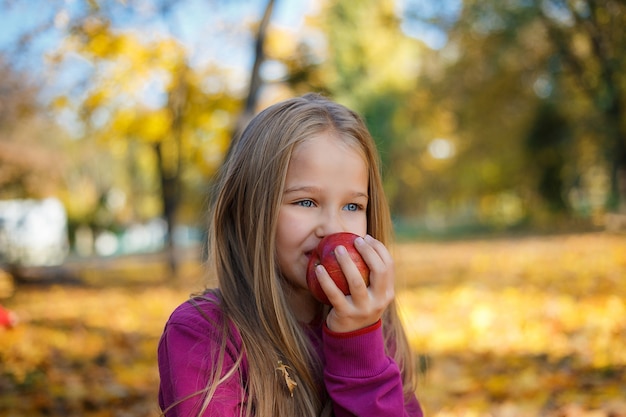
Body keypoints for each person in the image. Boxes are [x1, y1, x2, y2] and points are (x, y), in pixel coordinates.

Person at [158, 93, 423, 417]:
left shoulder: (376, 326)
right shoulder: (204, 333)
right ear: (250, 210)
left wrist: (359, 345)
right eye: (306, 202)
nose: (332, 227)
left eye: (352, 206)